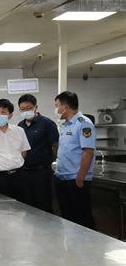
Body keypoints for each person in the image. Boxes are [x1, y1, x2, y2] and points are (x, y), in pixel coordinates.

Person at [54, 91, 96, 230]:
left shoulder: (83, 124)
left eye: (57, 106)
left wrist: (80, 178)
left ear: (65, 106)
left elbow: (88, 152)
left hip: (75, 180)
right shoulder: (66, 125)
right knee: (68, 218)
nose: (57, 109)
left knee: (82, 218)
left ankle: (90, 247)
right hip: (63, 178)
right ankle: (73, 249)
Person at [18, 94, 59, 213]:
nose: (26, 111)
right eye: (23, 109)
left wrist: (49, 161)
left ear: (36, 107)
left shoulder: (47, 124)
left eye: (29, 108)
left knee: (43, 204)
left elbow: (55, 146)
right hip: (24, 172)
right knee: (27, 206)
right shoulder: (20, 126)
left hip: (42, 172)